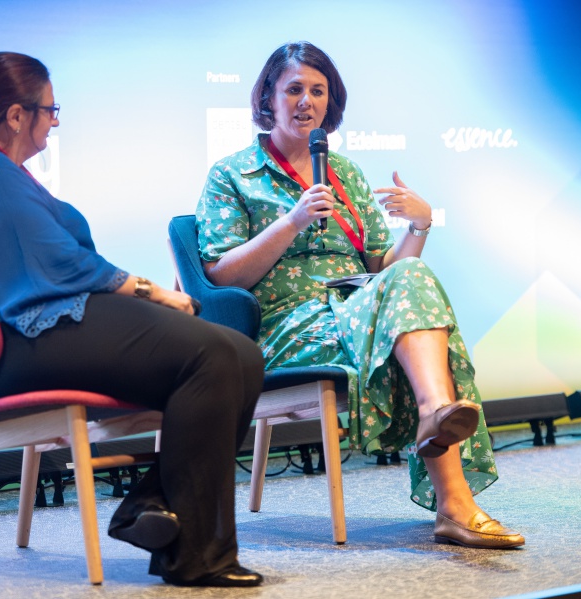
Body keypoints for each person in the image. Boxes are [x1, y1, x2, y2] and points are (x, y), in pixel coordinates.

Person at [0, 52, 265, 587]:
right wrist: (151, 291)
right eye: (50, 110)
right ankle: (197, 555)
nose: (55, 122)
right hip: (24, 339)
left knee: (242, 355)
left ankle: (152, 507)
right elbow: (53, 266)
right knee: (213, 355)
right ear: (16, 115)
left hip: (43, 326)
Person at [197, 42, 524, 549]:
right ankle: (454, 501)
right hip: (287, 326)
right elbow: (220, 276)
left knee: (412, 278)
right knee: (416, 339)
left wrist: (419, 225)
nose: (306, 101)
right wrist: (292, 221)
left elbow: (385, 271)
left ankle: (436, 413)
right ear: (267, 99)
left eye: (318, 91)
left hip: (358, 311)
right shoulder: (232, 174)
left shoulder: (344, 173)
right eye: (294, 89)